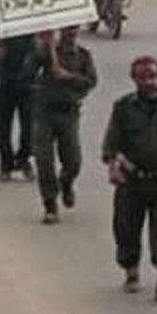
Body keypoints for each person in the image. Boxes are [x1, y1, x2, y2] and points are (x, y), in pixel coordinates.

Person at [101, 55, 157, 299]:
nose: (148, 82)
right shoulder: (123, 107)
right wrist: (113, 165)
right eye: (143, 77)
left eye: (152, 76)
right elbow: (112, 142)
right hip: (133, 179)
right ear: (134, 79)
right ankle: (131, 269)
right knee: (127, 226)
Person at [29, 27, 96, 224]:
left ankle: (66, 183)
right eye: (68, 29)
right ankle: (50, 204)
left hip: (69, 114)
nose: (71, 33)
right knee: (44, 161)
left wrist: (67, 76)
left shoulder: (84, 56)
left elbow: (91, 82)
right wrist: (40, 48)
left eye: (74, 29)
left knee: (73, 161)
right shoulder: (46, 53)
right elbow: (27, 73)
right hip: (44, 114)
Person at [0, 33, 37, 182]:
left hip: (29, 82)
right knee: (2, 126)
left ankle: (24, 159)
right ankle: (6, 164)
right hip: (5, 80)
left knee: (30, 127)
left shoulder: (34, 25)